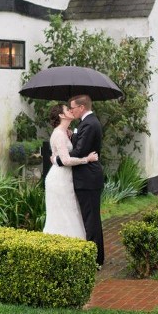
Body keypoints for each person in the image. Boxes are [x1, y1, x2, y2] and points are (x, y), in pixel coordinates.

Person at [57, 94, 105, 266]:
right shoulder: (85, 124)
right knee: (90, 218)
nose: (71, 111)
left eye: (73, 108)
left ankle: (95, 259)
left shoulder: (90, 124)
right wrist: (72, 137)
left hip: (88, 178)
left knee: (91, 219)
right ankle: (96, 256)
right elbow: (81, 146)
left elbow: (79, 151)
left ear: (82, 107)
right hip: (86, 177)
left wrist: (58, 159)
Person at [43, 103, 98, 239]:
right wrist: (87, 159)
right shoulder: (59, 134)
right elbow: (66, 160)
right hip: (59, 179)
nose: (70, 110)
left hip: (66, 177)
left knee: (70, 212)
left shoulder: (64, 133)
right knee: (63, 215)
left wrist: (71, 136)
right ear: (62, 115)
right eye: (67, 109)